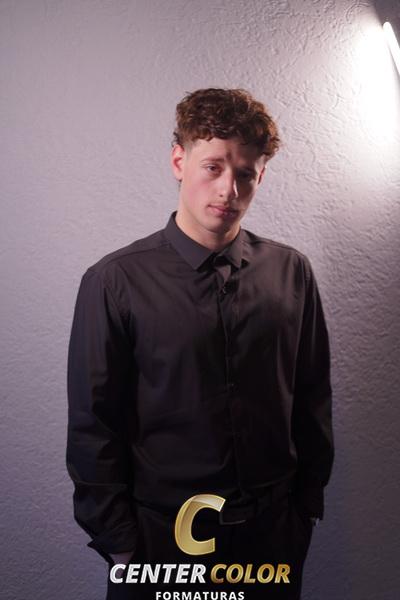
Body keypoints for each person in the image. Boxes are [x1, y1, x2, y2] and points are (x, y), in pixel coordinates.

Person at [66, 88, 334, 600]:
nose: (228, 189)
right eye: (213, 167)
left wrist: (305, 510)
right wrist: (122, 548)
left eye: (245, 174)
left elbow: (312, 395)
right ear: (179, 162)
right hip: (160, 543)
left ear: (260, 177)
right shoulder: (113, 281)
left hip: (272, 539)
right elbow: (93, 424)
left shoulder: (291, 271)